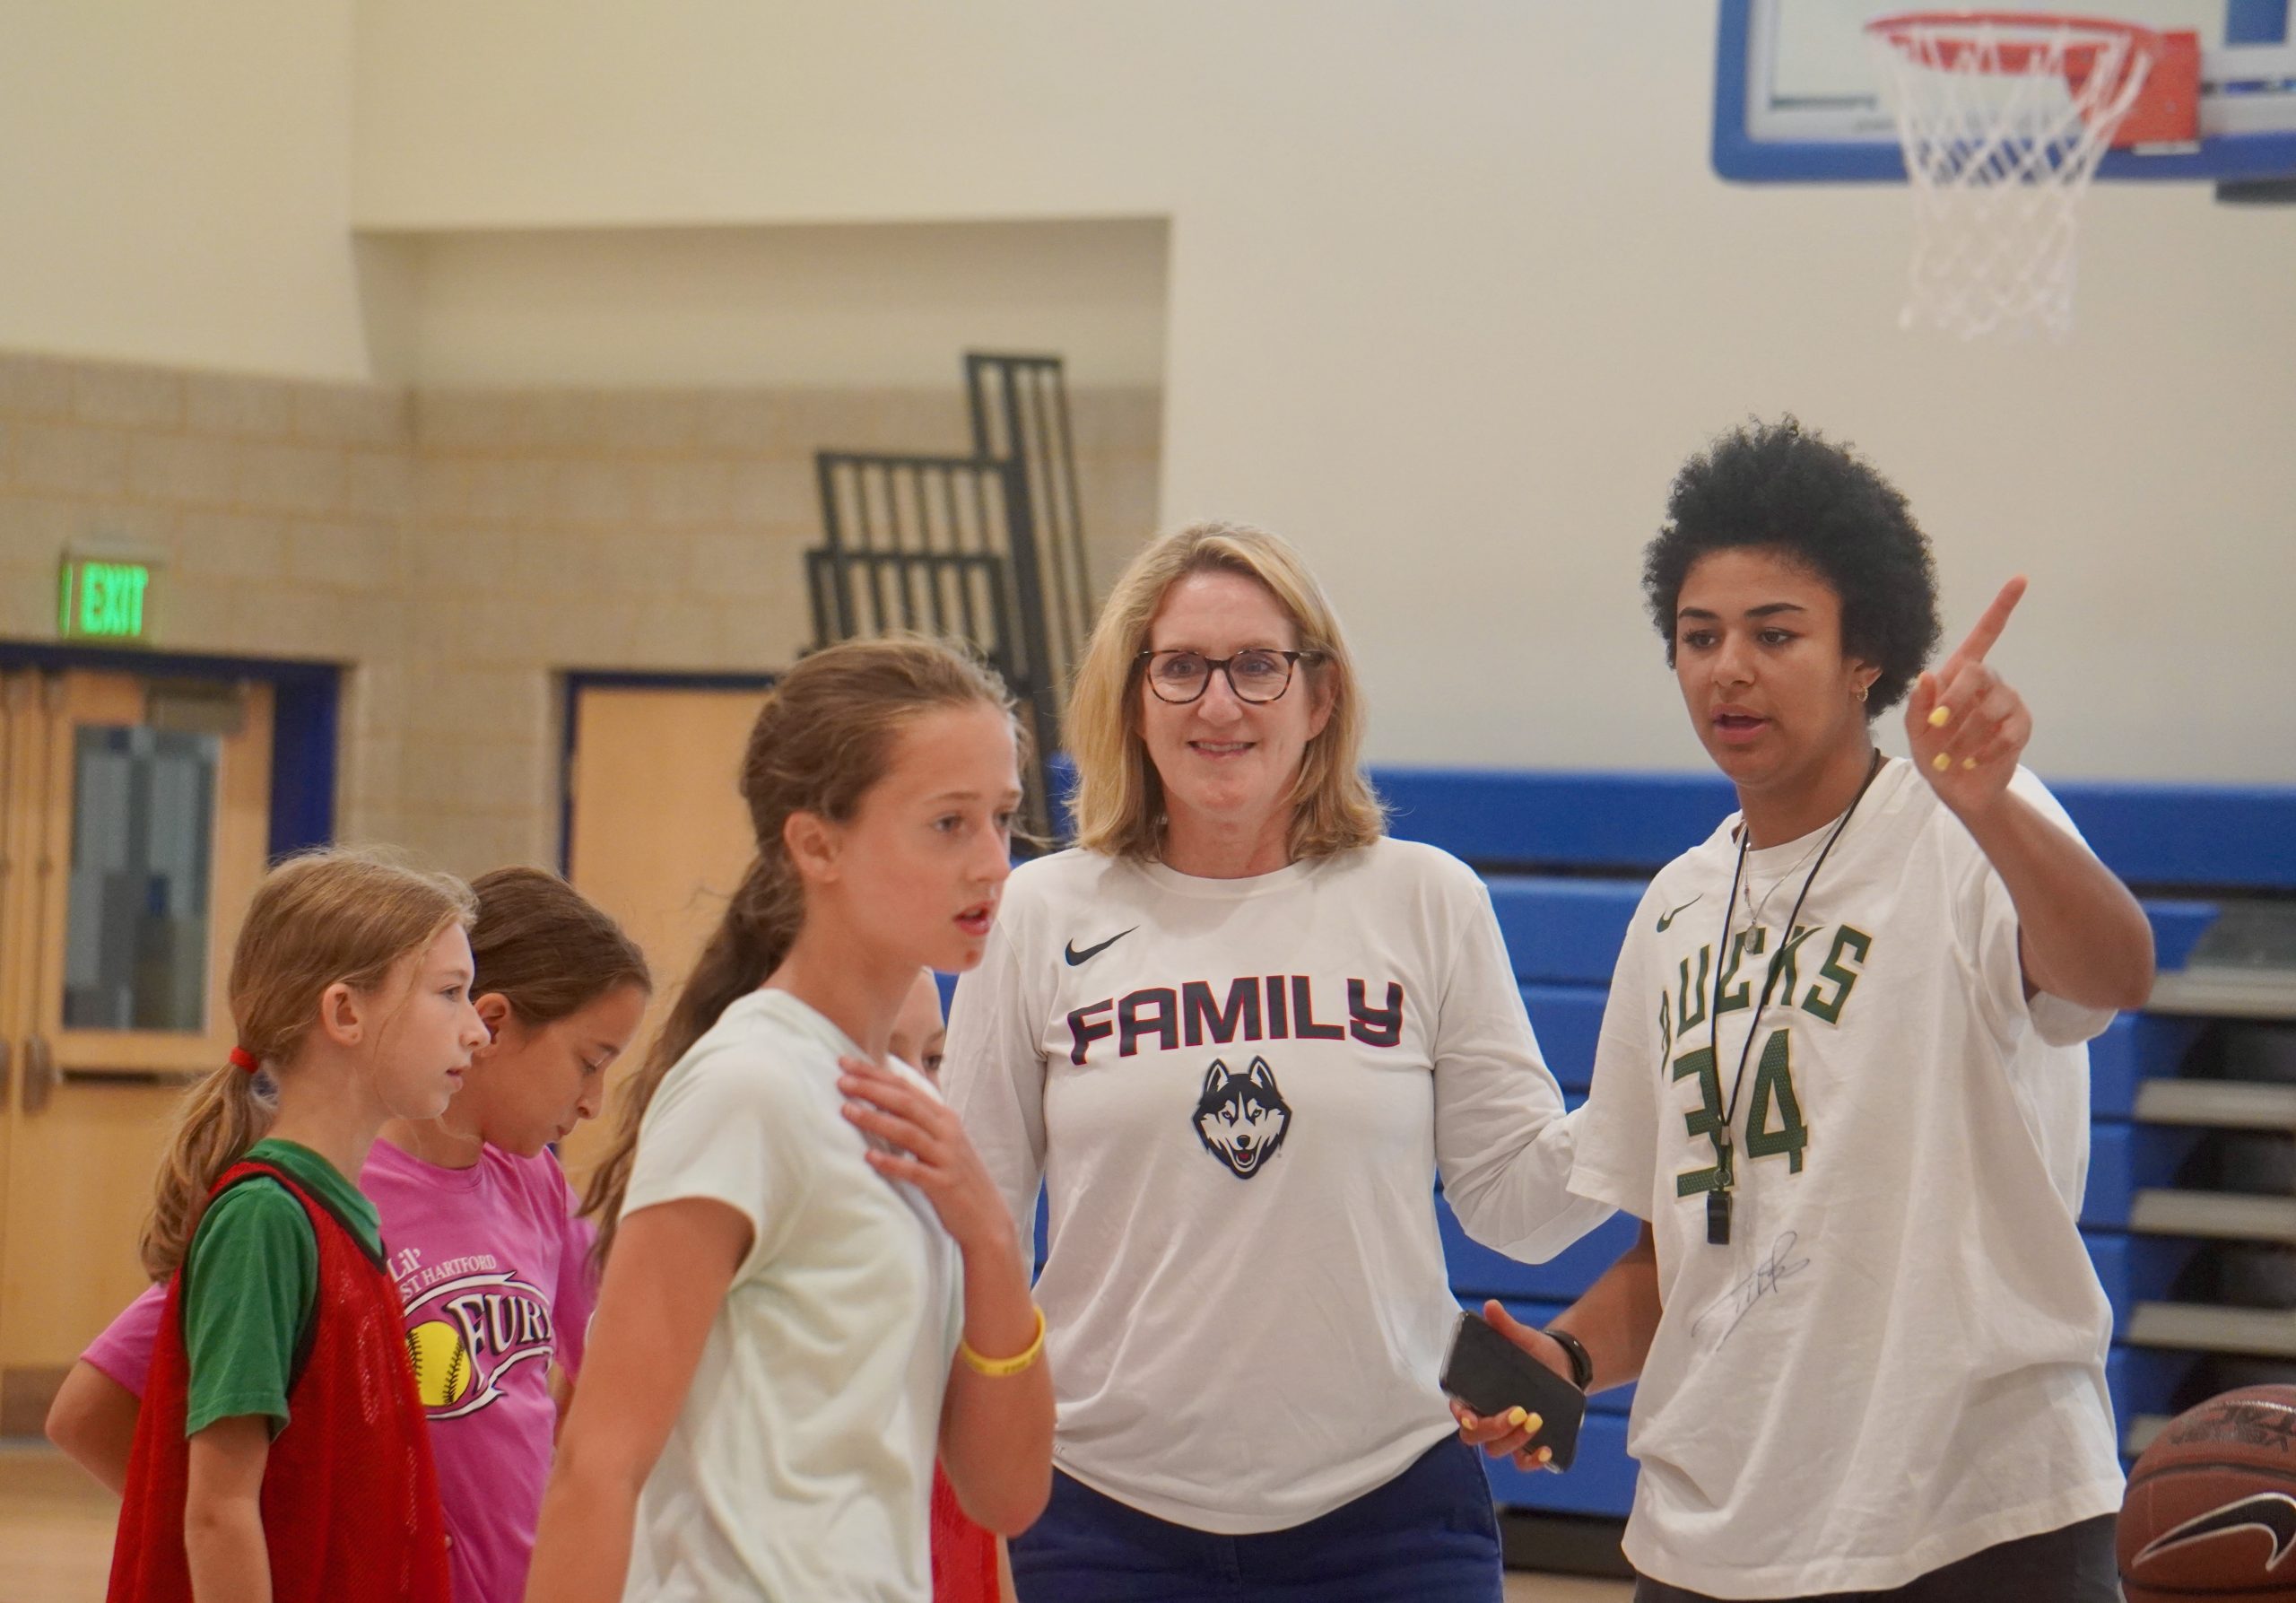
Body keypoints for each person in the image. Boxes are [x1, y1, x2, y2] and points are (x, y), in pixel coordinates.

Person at [1461, 417, 2152, 1601]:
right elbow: (1678, 1246)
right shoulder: (1675, 907)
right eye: (1699, 636)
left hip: (1976, 1516)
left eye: (1775, 633)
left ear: (1863, 656)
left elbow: (2111, 969)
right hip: (1712, 1531)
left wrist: (1987, 805)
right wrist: (1567, 1353)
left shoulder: (1961, 827)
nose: (1729, 665)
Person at [943, 519, 1605, 1602]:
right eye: (1180, 668)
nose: (1219, 702)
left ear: (1320, 696)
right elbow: (975, 1226)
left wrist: (1652, 1086)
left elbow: (1518, 1209)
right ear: (1132, 697)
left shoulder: (1425, 897)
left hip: (1388, 1514)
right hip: (1101, 1511)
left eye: (1258, 665)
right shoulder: (1037, 912)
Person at [525, 637, 1056, 1603]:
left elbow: (1005, 1493)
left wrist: (986, 1235)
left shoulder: (911, 1104)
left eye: (1003, 819)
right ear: (817, 844)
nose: (992, 863)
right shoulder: (749, 1084)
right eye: (947, 823)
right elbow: (596, 1464)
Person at [53, 867, 649, 1603]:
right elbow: (113, 1425)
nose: (595, 1102)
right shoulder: (283, 1213)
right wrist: (282, 1552)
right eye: (590, 1063)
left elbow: (613, 1391)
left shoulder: (524, 1189)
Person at [105, 849, 491, 1603]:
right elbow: (218, 1512)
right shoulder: (266, 1219)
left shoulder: (342, 1214)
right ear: (345, 1012)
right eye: (451, 993)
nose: (477, 1030)